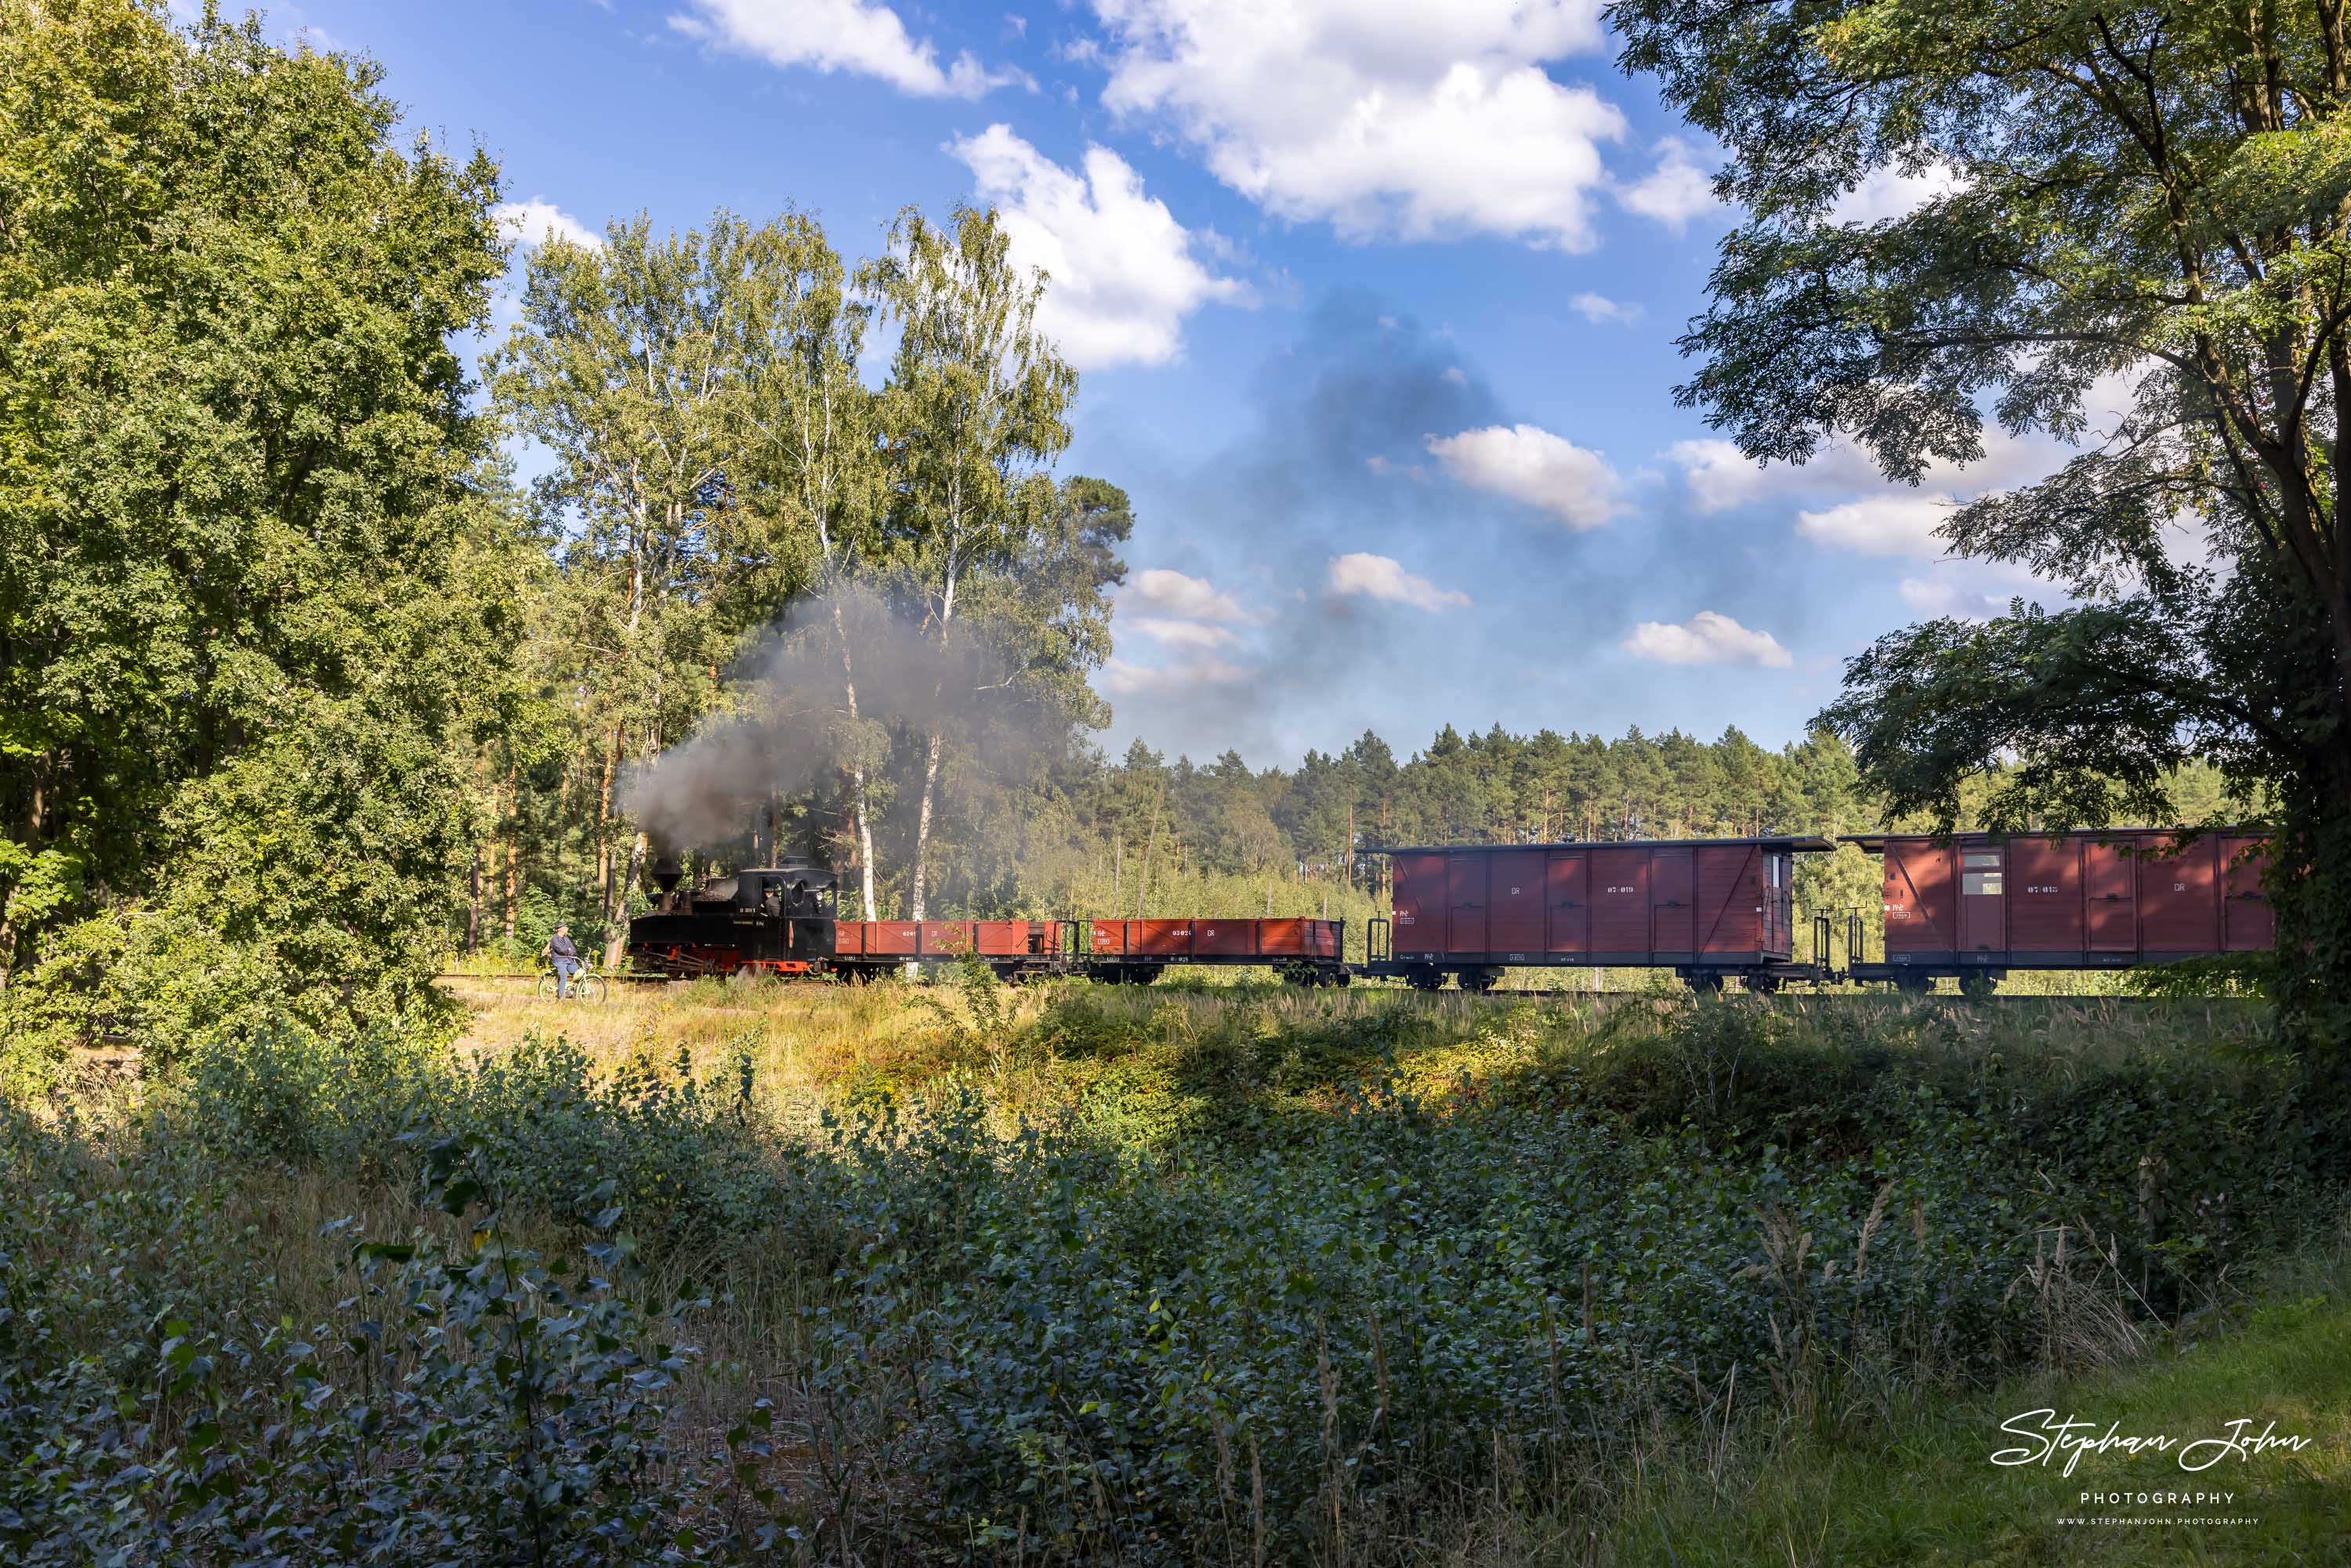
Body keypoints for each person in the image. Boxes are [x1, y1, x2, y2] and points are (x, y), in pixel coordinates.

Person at [547, 924, 579, 998]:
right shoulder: (554, 939)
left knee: (577, 973)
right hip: (558, 960)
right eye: (566, 928)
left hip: (567, 959)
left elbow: (574, 950)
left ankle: (576, 992)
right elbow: (561, 950)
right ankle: (560, 997)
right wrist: (569, 950)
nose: (567, 929)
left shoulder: (566, 939)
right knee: (563, 975)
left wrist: (569, 951)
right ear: (560, 929)